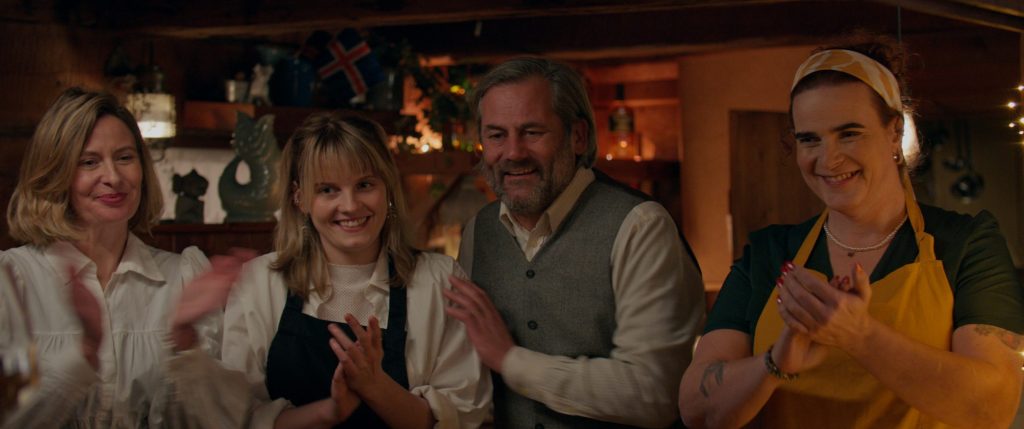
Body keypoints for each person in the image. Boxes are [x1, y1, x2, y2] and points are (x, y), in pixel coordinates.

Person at [678, 36, 1024, 428]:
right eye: (810, 139)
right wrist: (775, 362)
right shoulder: (767, 253)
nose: (829, 159)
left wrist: (860, 335)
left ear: (894, 132)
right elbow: (696, 410)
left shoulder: (966, 244)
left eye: (849, 133)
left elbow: (992, 409)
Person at [445, 57, 705, 428]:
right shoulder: (478, 231)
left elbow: (655, 393)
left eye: (532, 132)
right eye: (496, 135)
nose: (513, 152)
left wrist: (511, 361)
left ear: (578, 136)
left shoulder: (640, 227)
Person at [219, 112, 491, 428]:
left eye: (364, 185)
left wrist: (376, 387)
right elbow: (240, 419)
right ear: (300, 198)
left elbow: (459, 419)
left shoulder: (440, 280)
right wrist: (331, 411)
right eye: (327, 190)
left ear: (387, 187)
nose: (350, 206)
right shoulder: (259, 282)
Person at [0, 88, 251, 428]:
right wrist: (82, 356)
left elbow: (220, 422)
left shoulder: (181, 275)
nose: (113, 177)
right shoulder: (11, 280)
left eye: (124, 157)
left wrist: (184, 341)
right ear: (55, 173)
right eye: (89, 162)